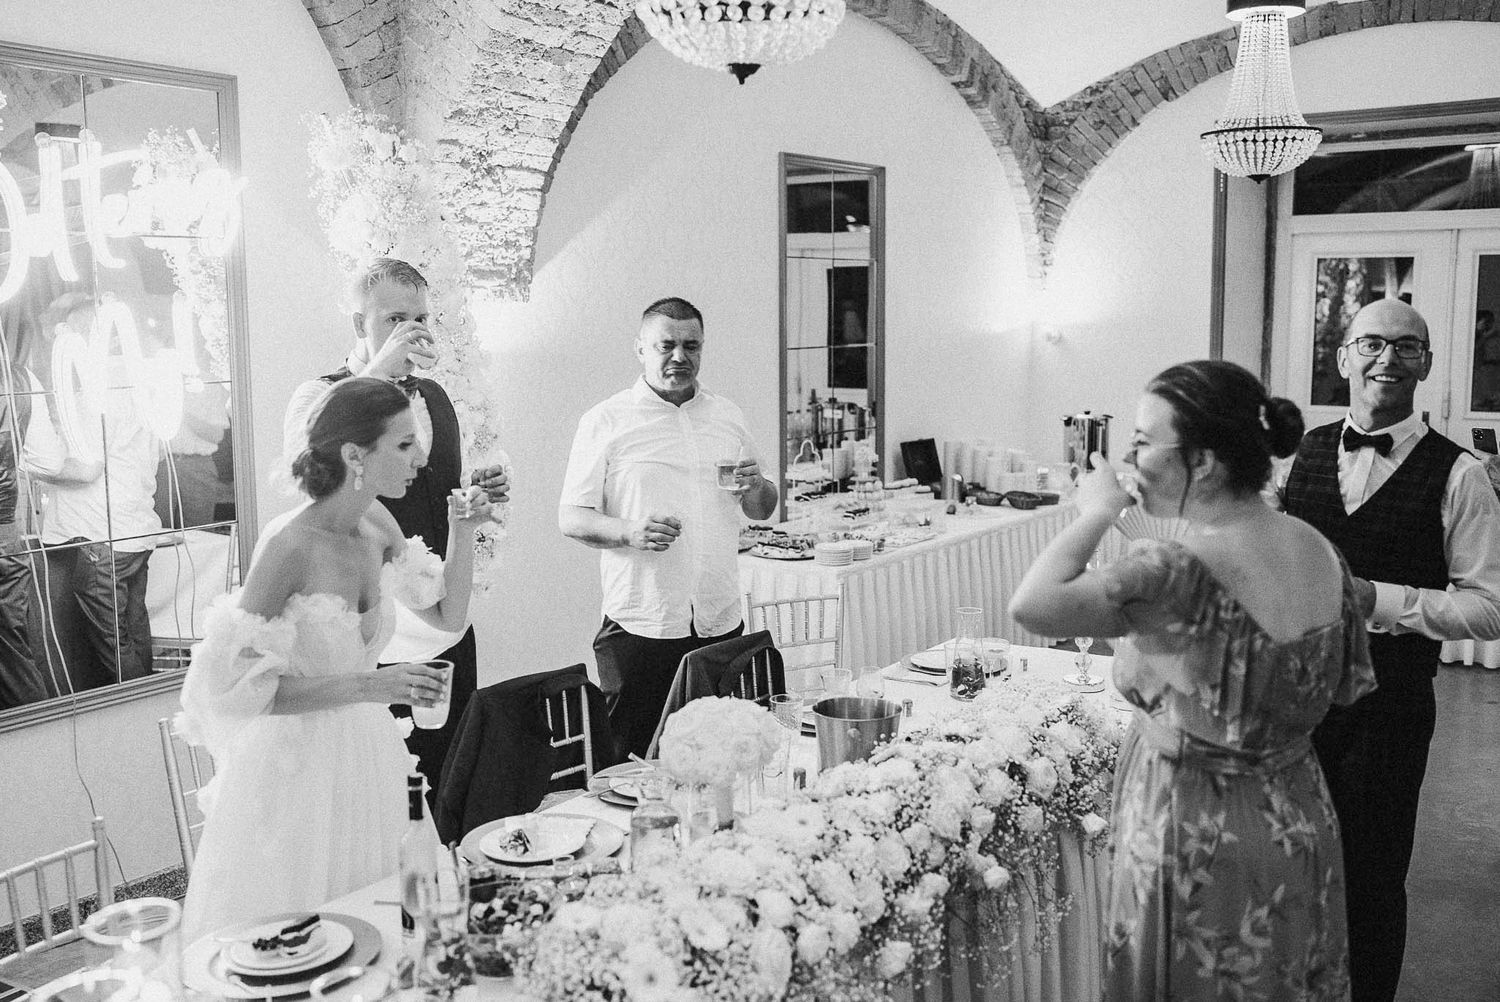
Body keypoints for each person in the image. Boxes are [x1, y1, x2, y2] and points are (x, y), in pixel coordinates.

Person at [1011, 360, 1375, 1002]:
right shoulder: (1320, 550)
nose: (1130, 458)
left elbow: (1032, 605)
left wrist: (1096, 511)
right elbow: (1343, 686)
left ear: (1203, 462)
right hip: (1297, 817)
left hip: (1195, 831)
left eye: (1143, 441)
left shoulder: (1174, 571)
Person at [179, 377, 491, 939]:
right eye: (404, 444)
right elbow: (236, 690)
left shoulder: (378, 525)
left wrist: (462, 530)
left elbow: (448, 615)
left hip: (369, 754)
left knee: (391, 923)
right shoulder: (288, 546)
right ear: (355, 455)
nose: (421, 458)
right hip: (294, 769)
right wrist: (374, 686)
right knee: (301, 938)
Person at [1281, 298, 1500, 1002]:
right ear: (1344, 356)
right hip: (1293, 703)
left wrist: (1376, 598)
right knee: (1291, 861)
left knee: (1372, 878)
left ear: (1426, 364)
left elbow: (1489, 607)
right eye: (1372, 342)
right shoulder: (1308, 451)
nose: (1388, 358)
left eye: (1407, 346)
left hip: (1390, 707)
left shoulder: (1461, 475)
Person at [283, 259, 508, 801]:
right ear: (359, 324)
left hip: (446, 622)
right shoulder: (316, 395)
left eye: (421, 318)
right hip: (376, 641)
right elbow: (303, 474)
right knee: (391, 793)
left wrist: (476, 490)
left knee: (453, 784)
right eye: (395, 319)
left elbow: (434, 485)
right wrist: (377, 373)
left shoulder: (435, 398)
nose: (413, 331)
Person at [559, 297, 777, 758]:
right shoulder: (606, 420)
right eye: (666, 346)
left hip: (719, 620)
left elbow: (762, 509)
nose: (679, 356)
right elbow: (571, 518)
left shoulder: (727, 416)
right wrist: (629, 532)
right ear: (641, 349)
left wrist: (758, 485)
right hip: (643, 622)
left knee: (720, 757)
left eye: (691, 346)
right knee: (633, 764)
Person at [24, 295, 160, 689]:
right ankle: (151, 709)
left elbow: (86, 469)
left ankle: (135, 714)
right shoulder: (139, 387)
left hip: (103, 537)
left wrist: (32, 468)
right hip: (135, 529)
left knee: (114, 647)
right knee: (134, 632)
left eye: (67, 335)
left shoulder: (95, 396)